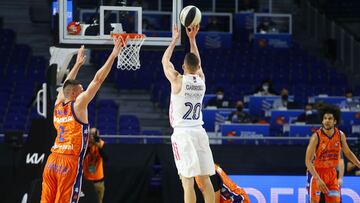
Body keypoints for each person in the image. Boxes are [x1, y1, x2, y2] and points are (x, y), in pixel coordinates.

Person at [41, 38, 124, 203]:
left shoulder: (57, 104)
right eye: (81, 89)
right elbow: (98, 80)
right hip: (68, 162)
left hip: (52, 162)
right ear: (73, 94)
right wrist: (113, 54)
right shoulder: (78, 105)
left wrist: (77, 64)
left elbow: (65, 85)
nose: (84, 91)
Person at [162, 24, 215, 203]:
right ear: (197, 66)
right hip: (199, 131)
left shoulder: (177, 80)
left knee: (187, 181)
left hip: (183, 133)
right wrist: (192, 39)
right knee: (206, 179)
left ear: (183, 66)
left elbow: (165, 61)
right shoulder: (201, 80)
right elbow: (198, 62)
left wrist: (174, 40)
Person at [305, 104, 360, 203]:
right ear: (322, 121)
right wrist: (317, 179)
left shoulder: (340, 135)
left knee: (335, 201)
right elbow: (307, 161)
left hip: (331, 174)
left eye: (330, 118)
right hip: (316, 173)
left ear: (335, 121)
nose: (327, 120)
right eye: (325, 118)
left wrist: (359, 164)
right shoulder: (316, 137)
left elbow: (348, 152)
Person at [83, 128, 107, 203]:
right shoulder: (85, 144)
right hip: (87, 181)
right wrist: (89, 145)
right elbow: (82, 157)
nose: (92, 136)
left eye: (94, 135)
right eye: (90, 134)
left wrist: (97, 144)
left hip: (98, 181)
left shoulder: (101, 144)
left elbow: (106, 157)